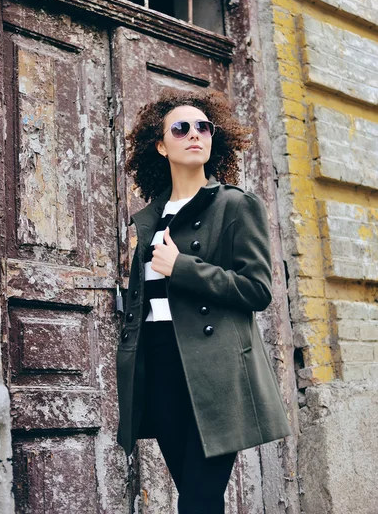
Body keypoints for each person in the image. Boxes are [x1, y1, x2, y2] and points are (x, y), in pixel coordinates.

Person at [116, 89, 291, 514]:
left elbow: (257, 289)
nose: (194, 134)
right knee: (195, 498)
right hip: (159, 364)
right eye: (181, 128)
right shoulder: (150, 219)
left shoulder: (235, 204)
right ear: (160, 145)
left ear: (214, 139)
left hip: (215, 369)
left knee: (199, 499)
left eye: (203, 127)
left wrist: (184, 267)